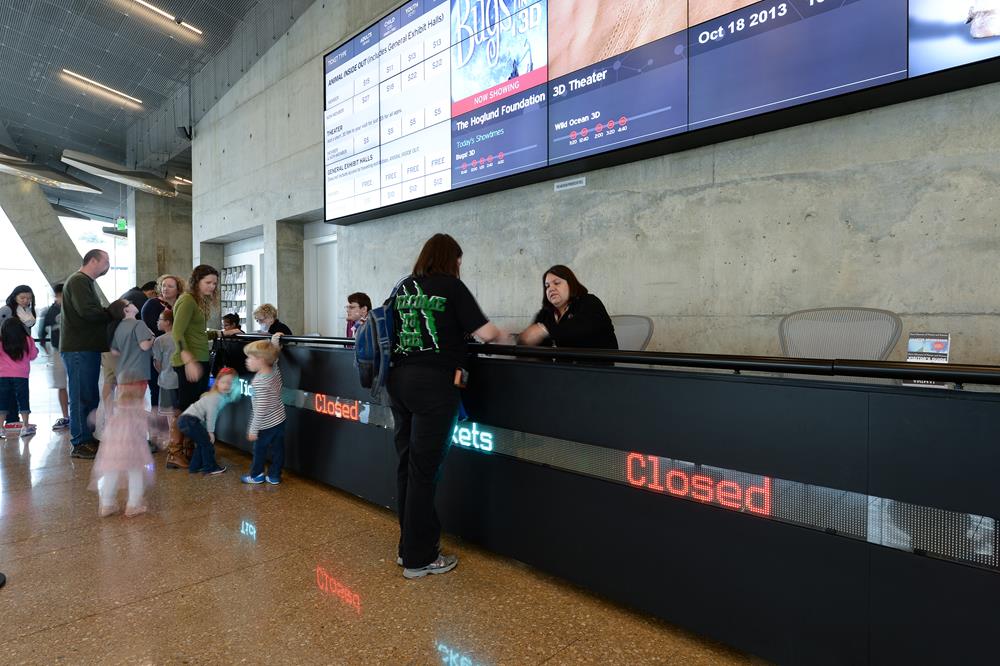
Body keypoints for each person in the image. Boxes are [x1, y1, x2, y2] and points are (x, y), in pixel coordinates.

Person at [388, 233, 506, 579]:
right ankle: (420, 558)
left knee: (407, 464)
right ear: (451, 259)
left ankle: (407, 548)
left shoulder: (403, 287)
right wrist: (509, 334)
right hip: (435, 386)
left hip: (398, 382)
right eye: (458, 260)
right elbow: (487, 334)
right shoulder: (452, 287)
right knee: (424, 471)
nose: (459, 266)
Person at [90, 300, 155, 519]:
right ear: (127, 310)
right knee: (135, 467)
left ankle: (107, 503)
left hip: (123, 375)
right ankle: (133, 504)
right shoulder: (138, 325)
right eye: (129, 303)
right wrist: (153, 338)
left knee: (113, 470)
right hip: (138, 374)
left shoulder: (118, 328)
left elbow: (115, 351)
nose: (133, 304)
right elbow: (145, 346)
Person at [167, 265, 220, 469]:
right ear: (196, 281)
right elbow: (177, 333)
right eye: (208, 282)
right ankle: (174, 452)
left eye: (214, 283)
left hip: (199, 360)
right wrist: (188, 359)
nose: (212, 287)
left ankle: (188, 449)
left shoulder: (199, 301)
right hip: (190, 362)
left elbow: (197, 333)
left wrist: (220, 334)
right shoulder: (187, 300)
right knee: (185, 407)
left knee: (194, 406)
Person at [61, 249, 112, 459]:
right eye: (106, 261)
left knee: (89, 395)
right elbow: (88, 311)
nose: (108, 265)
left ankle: (87, 438)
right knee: (81, 395)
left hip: (85, 347)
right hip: (78, 348)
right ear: (93, 261)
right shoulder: (79, 281)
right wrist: (110, 312)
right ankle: (80, 441)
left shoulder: (84, 282)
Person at [516, 265, 618, 350]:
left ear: (570, 284)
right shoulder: (545, 313)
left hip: (595, 370)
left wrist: (545, 330)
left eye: (556, 283)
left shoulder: (590, 302)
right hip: (556, 371)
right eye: (547, 286)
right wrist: (523, 339)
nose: (551, 289)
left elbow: (578, 329)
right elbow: (529, 342)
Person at [177, 367, 241, 476]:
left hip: (185, 421)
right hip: (190, 421)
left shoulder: (220, 396)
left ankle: (195, 467)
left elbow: (229, 399)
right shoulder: (215, 398)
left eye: (230, 383)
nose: (226, 385)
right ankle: (210, 468)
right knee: (207, 444)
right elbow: (211, 415)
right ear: (217, 383)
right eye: (223, 382)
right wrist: (210, 432)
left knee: (202, 444)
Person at [240, 334, 286, 485]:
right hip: (279, 419)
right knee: (278, 450)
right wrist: (274, 342)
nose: (247, 361)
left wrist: (253, 429)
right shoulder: (274, 369)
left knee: (259, 450)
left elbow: (260, 409)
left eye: (250, 358)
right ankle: (274, 475)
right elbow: (274, 357)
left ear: (261, 360)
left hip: (265, 424)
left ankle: (257, 475)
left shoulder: (260, 382)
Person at [140, 274, 184, 408]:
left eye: (170, 286)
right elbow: (150, 329)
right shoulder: (152, 304)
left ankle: (174, 424)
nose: (166, 289)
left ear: (178, 289)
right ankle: (157, 425)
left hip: (178, 351)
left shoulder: (181, 304)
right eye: (164, 285)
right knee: (157, 388)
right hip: (157, 351)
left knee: (178, 391)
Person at [0, 286, 37, 429]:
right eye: (22, 298)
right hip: (8, 350)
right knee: (11, 393)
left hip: (18, 353)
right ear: (14, 296)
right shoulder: (7, 310)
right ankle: (13, 419)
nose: (25, 301)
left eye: (28, 298)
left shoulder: (27, 312)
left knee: (11, 392)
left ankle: (13, 420)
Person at [0, 317, 39, 438]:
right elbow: (33, 356)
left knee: (3, 401)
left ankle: (1, 428)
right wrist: (35, 349)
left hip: (3, 375)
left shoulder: (1, 341)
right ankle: (25, 427)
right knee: (23, 399)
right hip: (21, 375)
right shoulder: (28, 340)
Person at [37, 283, 69, 430]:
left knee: (76, 384)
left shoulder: (73, 308)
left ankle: (75, 415)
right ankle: (66, 416)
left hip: (74, 350)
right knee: (61, 385)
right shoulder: (51, 311)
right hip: (59, 350)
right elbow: (41, 333)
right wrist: (47, 350)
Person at [151, 309, 179, 452]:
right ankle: (181, 439)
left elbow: (158, 364)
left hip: (167, 380)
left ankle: (173, 440)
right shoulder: (181, 336)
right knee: (179, 410)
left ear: (168, 322)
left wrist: (161, 372)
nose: (158, 322)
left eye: (160, 319)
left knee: (169, 413)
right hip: (181, 381)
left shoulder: (160, 340)